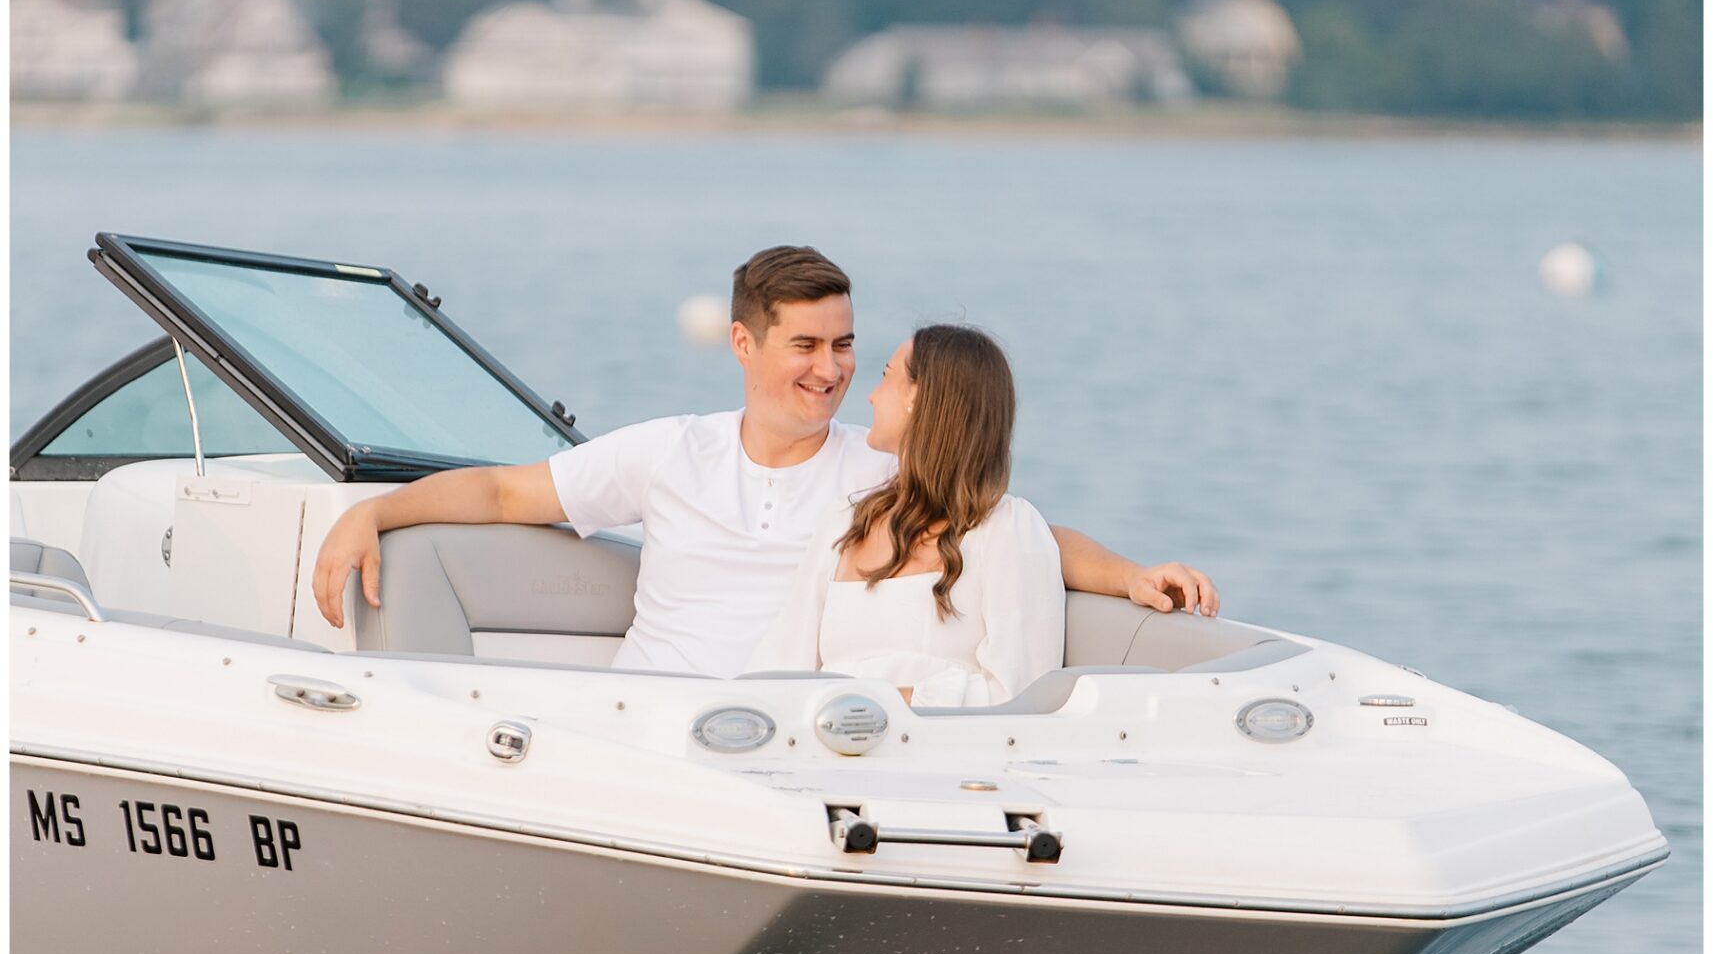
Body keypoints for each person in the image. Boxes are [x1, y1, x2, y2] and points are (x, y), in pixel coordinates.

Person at [311, 244, 1218, 678]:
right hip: (651, 724)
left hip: (790, 742)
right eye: (805, 345)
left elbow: (1017, 530)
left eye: (845, 344)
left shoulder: (876, 475)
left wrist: (1133, 575)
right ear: (743, 344)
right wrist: (375, 511)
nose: (830, 369)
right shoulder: (672, 451)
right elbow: (507, 491)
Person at [749, 326, 1064, 707]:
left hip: (938, 759)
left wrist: (880, 703)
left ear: (918, 396)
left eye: (885, 377)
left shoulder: (1005, 530)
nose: (870, 396)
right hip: (823, 753)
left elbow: (1022, 697)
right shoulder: (844, 525)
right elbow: (780, 668)